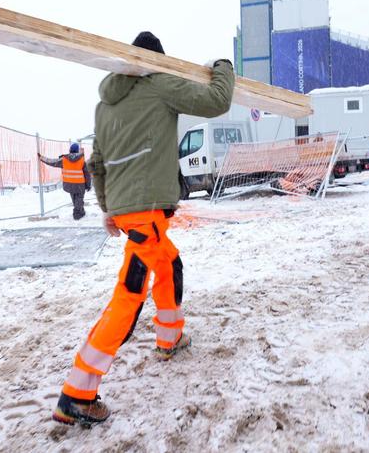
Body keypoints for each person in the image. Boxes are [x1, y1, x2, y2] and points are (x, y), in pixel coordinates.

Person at [51, 31, 235, 426]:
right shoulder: (160, 85)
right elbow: (217, 101)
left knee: (168, 264)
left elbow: (97, 163)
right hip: (146, 212)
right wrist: (223, 66)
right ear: (156, 61)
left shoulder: (105, 105)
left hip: (132, 212)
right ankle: (77, 393)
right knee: (129, 297)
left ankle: (170, 337)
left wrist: (108, 209)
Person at [39, 143, 91, 220]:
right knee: (79, 199)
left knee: (75, 199)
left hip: (69, 184)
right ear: (77, 150)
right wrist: (88, 185)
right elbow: (87, 174)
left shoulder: (64, 160)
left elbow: (52, 162)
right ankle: (77, 214)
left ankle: (80, 211)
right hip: (79, 184)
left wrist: (42, 158)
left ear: (70, 150)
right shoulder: (82, 160)